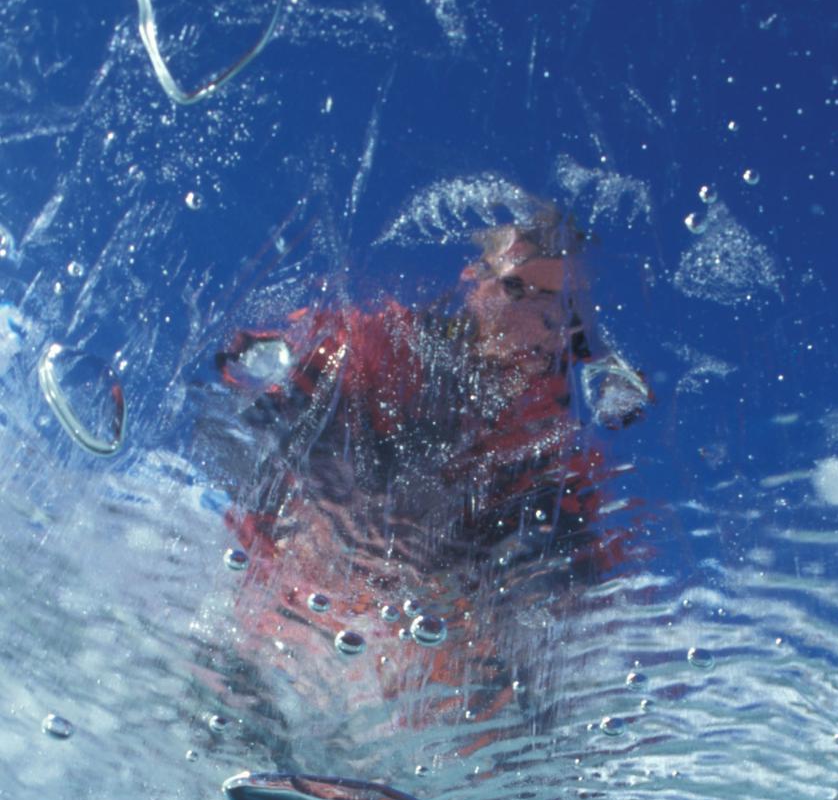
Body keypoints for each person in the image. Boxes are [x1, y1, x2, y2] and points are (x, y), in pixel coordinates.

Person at [213, 208, 649, 746]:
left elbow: (583, 582)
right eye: (519, 291)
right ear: (476, 283)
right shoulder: (379, 352)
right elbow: (255, 392)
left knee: (516, 654)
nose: (543, 323)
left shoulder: (553, 452)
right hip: (293, 628)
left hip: (429, 686)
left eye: (562, 310)